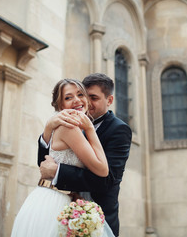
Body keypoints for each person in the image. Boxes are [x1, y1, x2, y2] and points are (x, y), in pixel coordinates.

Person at [11, 79, 114, 237]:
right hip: (54, 204)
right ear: (60, 106)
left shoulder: (69, 126)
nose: (77, 100)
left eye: (80, 94)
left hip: (60, 199)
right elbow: (102, 169)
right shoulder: (69, 127)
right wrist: (90, 128)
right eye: (68, 97)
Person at [38, 73, 132, 237]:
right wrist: (47, 130)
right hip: (62, 208)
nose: (85, 102)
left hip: (97, 214)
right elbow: (44, 163)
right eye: (84, 95)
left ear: (109, 101)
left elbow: (108, 178)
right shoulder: (69, 122)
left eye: (93, 97)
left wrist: (58, 172)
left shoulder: (119, 129)